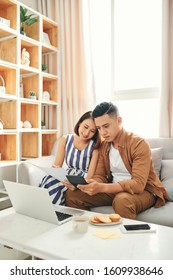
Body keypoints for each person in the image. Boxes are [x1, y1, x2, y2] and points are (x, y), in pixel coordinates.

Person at [65, 102, 169, 219]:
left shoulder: (138, 143)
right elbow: (100, 176)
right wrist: (88, 185)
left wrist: (103, 187)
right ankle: (89, 231)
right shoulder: (104, 146)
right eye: (99, 128)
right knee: (72, 195)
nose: (103, 133)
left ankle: (124, 238)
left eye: (106, 126)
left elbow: (138, 184)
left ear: (119, 121)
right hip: (113, 189)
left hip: (144, 191)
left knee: (122, 200)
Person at [39, 111, 101, 205]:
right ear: (80, 123)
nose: (86, 133)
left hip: (82, 179)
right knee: (48, 178)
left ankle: (53, 210)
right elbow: (57, 165)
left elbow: (90, 176)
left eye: (92, 131)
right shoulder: (65, 139)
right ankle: (44, 208)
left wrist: (76, 185)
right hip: (66, 175)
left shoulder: (95, 147)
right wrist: (55, 170)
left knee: (53, 182)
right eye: (85, 127)